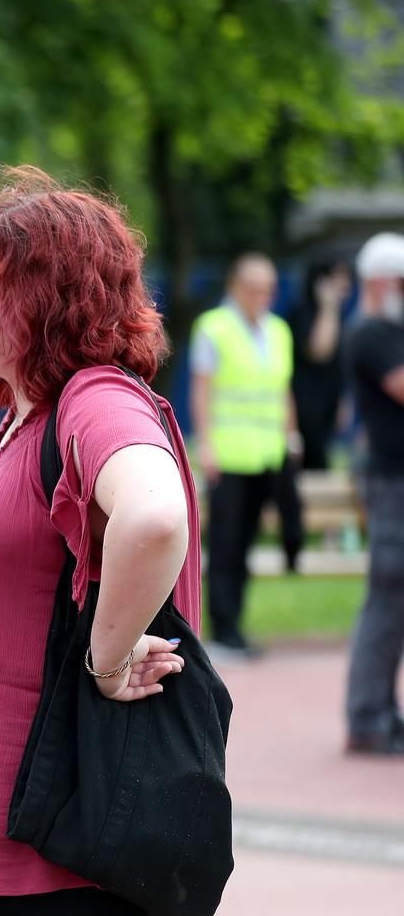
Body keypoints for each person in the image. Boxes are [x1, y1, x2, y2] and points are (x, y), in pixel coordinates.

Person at [0, 167, 196, 916]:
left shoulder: (94, 399)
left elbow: (157, 516)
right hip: (34, 828)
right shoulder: (31, 417)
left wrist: (107, 660)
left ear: (58, 294)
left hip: (50, 832)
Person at [189, 253, 298, 656]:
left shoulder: (278, 330)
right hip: (229, 454)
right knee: (225, 544)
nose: (262, 296)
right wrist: (206, 444)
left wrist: (292, 437)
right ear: (235, 287)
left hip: (268, 454)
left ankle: (236, 626)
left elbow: (282, 389)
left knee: (248, 542)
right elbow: (202, 389)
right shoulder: (213, 327)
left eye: (268, 289)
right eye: (254, 288)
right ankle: (223, 630)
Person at [340, 231, 404, 757]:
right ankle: (368, 718)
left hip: (392, 480)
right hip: (391, 482)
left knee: (393, 602)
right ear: (381, 283)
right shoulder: (371, 333)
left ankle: (382, 712)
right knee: (387, 597)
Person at [290, 255, 353, 471]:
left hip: (327, 404)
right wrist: (328, 306)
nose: (346, 284)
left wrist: (342, 400)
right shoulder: (303, 312)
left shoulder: (338, 318)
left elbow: (339, 365)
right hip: (305, 407)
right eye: (339, 276)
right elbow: (320, 351)